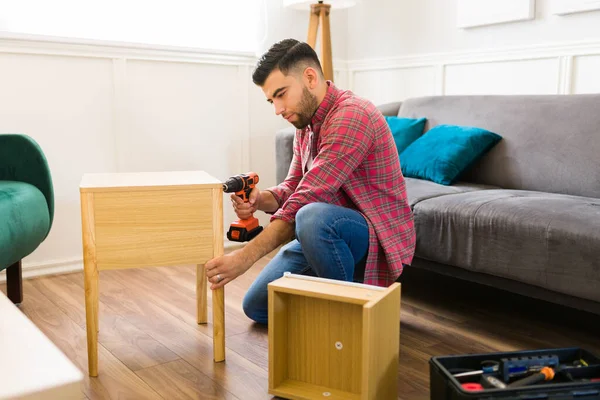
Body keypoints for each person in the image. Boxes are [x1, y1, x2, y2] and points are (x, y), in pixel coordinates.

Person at [205, 38, 415, 324]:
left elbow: (307, 197)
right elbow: (294, 185)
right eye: (271, 100)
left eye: (281, 94)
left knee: (311, 216)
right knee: (257, 307)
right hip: (323, 230)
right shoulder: (306, 123)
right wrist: (260, 199)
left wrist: (243, 258)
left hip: (371, 231)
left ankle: (348, 317)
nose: (277, 109)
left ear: (310, 77)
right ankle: (336, 290)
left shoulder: (352, 115)